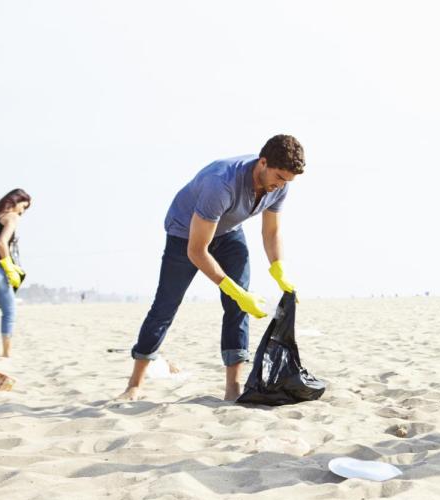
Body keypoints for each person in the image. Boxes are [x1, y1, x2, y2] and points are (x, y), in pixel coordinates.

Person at [118, 135, 305, 401]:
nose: (282, 185)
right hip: (184, 234)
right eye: (279, 177)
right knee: (165, 307)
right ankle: (134, 384)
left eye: (287, 181)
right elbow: (197, 251)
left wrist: (279, 269)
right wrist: (235, 290)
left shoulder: (279, 184)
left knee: (237, 309)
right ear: (262, 162)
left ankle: (233, 387)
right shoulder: (221, 183)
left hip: (229, 232)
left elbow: (271, 231)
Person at [0, 189, 31, 357]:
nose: (23, 212)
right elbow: (1, 243)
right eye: (24, 206)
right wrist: (9, 266)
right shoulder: (11, 217)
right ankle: (6, 354)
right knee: (9, 311)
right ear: (16, 201)